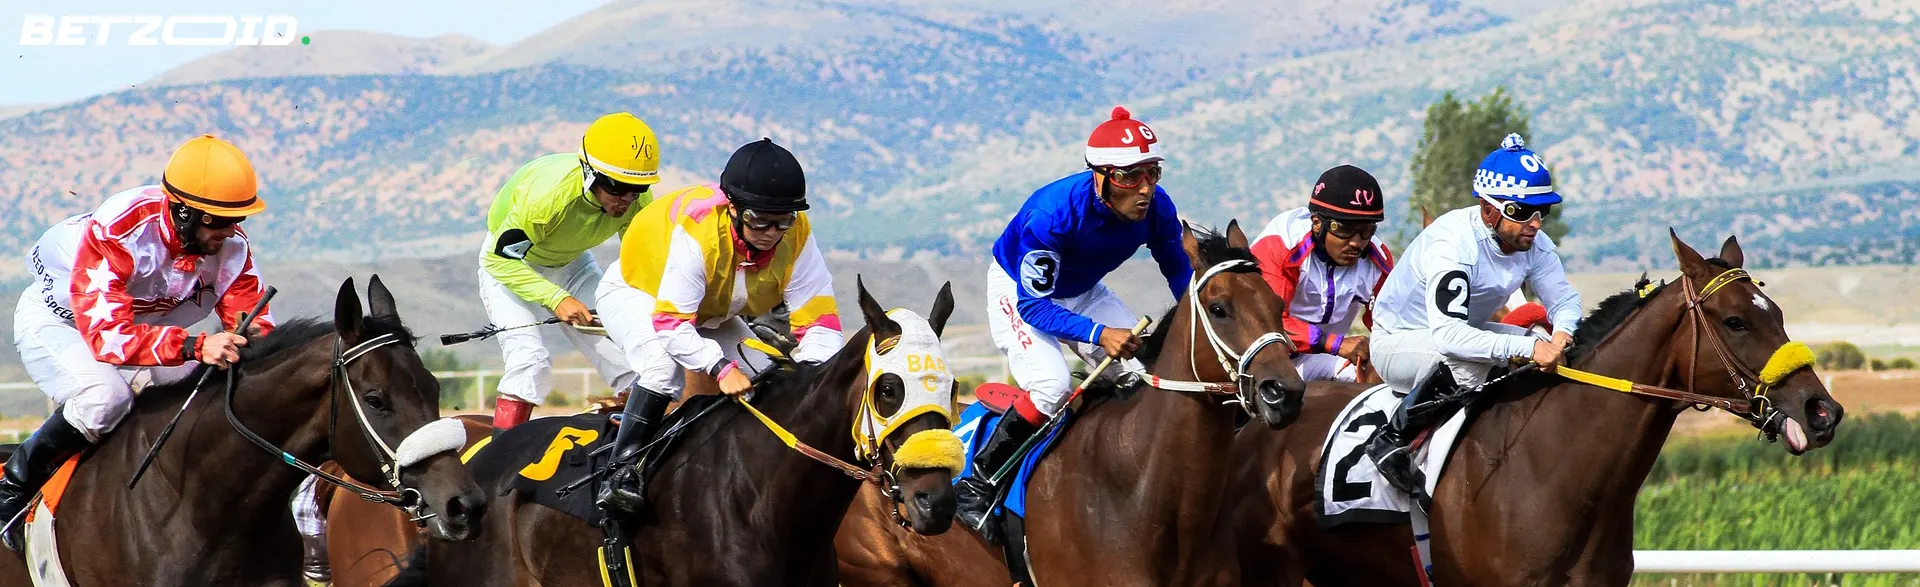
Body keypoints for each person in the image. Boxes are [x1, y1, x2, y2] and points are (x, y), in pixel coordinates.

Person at [0, 135, 277, 547]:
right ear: (184, 212)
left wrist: (248, 336)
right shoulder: (120, 230)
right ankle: (13, 491)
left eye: (237, 220)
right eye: (219, 221)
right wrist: (197, 347)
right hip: (67, 328)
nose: (231, 231)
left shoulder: (231, 246)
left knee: (211, 388)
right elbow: (108, 340)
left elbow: (253, 322)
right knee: (105, 398)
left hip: (149, 333)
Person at [953, 106, 1193, 532]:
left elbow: (1178, 271)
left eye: (1152, 173)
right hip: (1020, 292)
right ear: (1099, 176)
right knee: (1051, 384)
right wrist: (1101, 334)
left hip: (1082, 291)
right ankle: (978, 484)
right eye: (1128, 176)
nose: (1144, 189)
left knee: (1147, 371)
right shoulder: (1052, 215)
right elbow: (1034, 307)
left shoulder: (1158, 207)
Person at [593, 138, 842, 513]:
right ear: (733, 208)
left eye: (782, 221)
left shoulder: (798, 235)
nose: (771, 233)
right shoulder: (701, 231)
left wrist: (815, 376)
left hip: (714, 312)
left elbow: (821, 322)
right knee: (664, 369)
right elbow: (671, 323)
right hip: (642, 296)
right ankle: (621, 471)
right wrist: (720, 368)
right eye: (759, 220)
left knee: (770, 377)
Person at [1362, 133, 1583, 492]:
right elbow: (1449, 337)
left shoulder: (1533, 243)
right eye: (1523, 212)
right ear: (1489, 210)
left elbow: (1565, 301)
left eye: (1544, 210)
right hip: (1398, 344)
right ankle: (1392, 439)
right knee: (1472, 359)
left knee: (1542, 342)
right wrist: (1529, 350)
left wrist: (1560, 335)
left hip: (1462, 332)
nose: (1537, 223)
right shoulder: (1454, 246)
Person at [481, 112, 660, 431]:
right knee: (529, 361)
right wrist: (555, 298)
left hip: (572, 263)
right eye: (618, 188)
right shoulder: (549, 197)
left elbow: (646, 262)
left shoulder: (637, 201)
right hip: (511, 264)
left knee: (634, 354)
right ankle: (499, 462)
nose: (627, 200)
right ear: (590, 174)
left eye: (637, 188)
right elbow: (500, 260)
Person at [1248, 165, 1394, 382]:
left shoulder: (1377, 259)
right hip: (1263, 359)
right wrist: (1334, 343)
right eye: (1343, 229)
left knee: (1381, 372)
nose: (1356, 242)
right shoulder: (1281, 244)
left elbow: (1391, 327)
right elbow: (1268, 325)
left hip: (1320, 358)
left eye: (1366, 231)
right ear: (1317, 222)